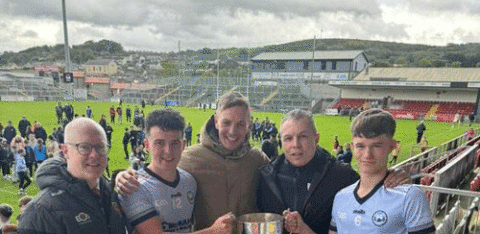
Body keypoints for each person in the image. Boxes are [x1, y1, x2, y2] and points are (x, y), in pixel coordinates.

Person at [116, 92, 270, 231]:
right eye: (226, 123)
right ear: (216, 121)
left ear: (249, 125)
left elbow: (280, 180)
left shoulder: (257, 159)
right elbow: (158, 169)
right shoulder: (190, 157)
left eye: (240, 124)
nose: (232, 131)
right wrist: (121, 176)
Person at [257, 109, 411, 234]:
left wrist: (392, 177)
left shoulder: (342, 176)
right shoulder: (266, 176)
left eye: (303, 136)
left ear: (316, 139)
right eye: (288, 138)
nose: (295, 144)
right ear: (281, 141)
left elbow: (372, 191)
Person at [119, 109, 235, 233]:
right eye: (159, 143)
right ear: (146, 145)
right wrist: (213, 231)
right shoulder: (133, 186)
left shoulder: (189, 181)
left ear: (183, 145)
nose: (168, 151)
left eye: (174, 143)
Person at [328, 109, 435, 234]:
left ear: (392, 146)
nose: (367, 155)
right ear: (352, 147)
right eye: (360, 146)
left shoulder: (410, 197)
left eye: (376, 146)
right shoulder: (341, 197)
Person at [18, 118, 126, 234]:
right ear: (65, 151)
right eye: (84, 147)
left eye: (100, 147)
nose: (94, 155)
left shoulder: (112, 195)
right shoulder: (41, 211)